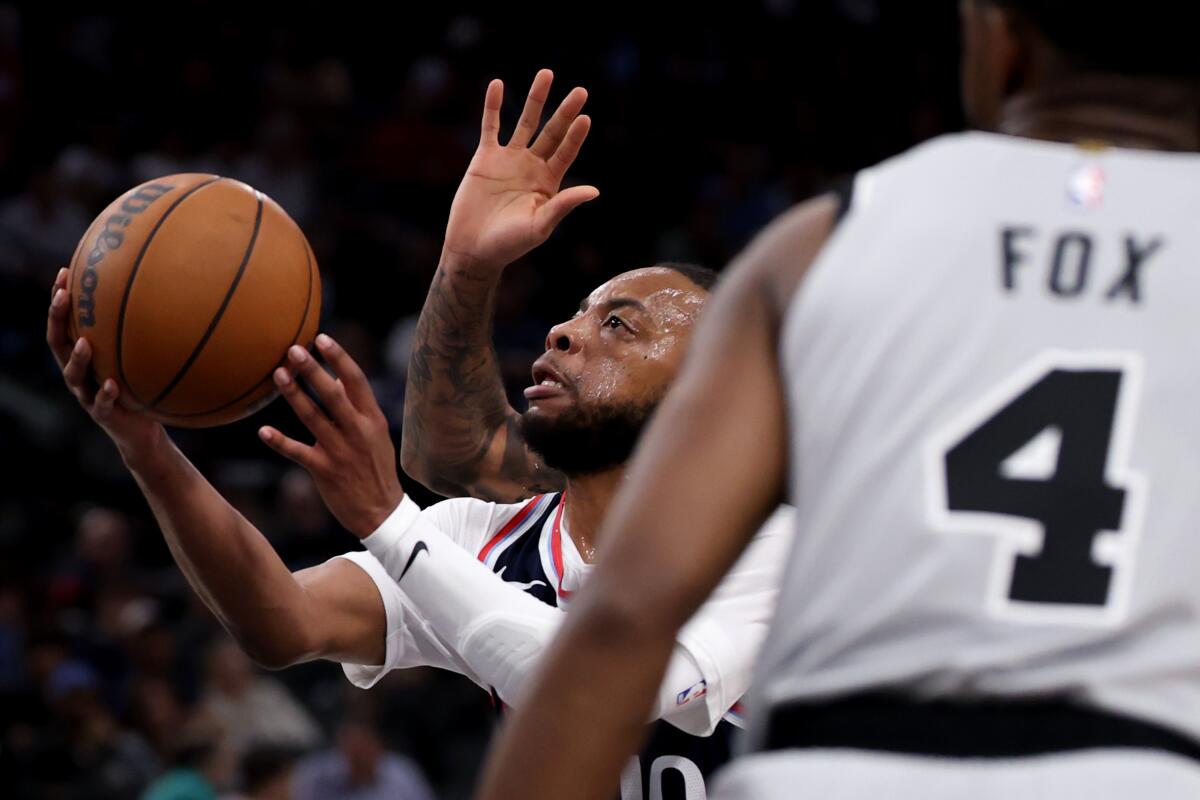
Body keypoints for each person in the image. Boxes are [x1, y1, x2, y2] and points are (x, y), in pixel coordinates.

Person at [476, 3, 1200, 799]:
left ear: (1001, 42)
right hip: (1137, 766)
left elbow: (625, 616)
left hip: (843, 761)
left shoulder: (822, 244)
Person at [45, 70, 791, 800]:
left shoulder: (777, 544)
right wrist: (146, 448)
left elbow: (601, 690)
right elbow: (282, 621)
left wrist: (389, 522)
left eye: (619, 324)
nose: (564, 333)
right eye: (575, 314)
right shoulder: (483, 539)